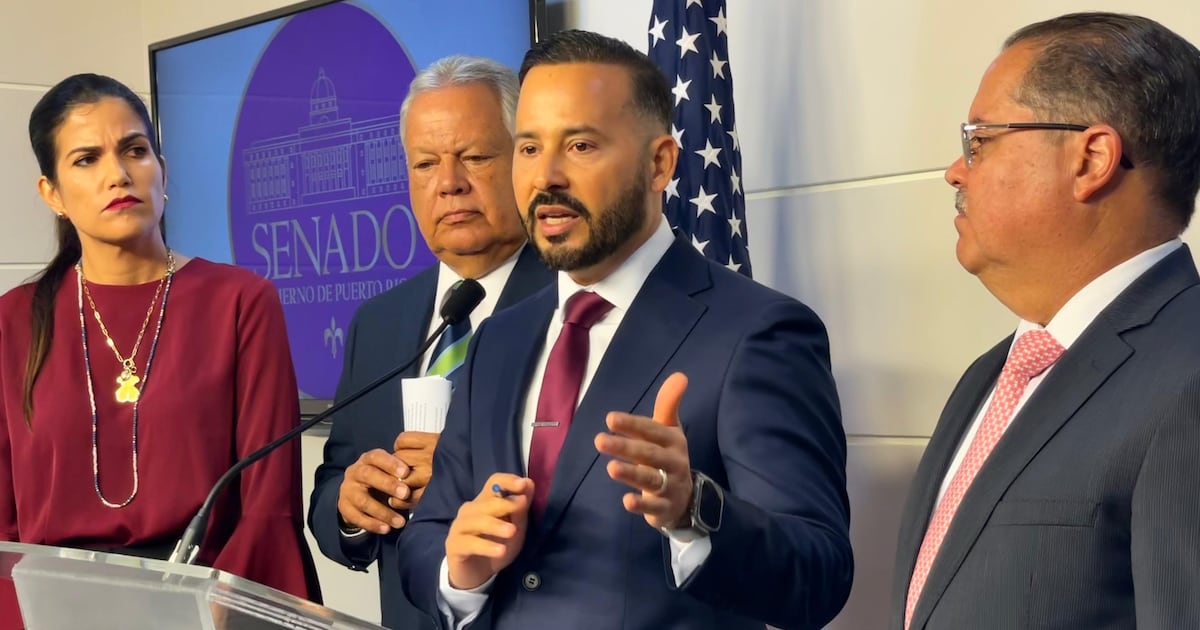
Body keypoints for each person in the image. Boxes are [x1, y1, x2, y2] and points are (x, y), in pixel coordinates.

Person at [397, 30, 853, 630]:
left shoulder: (758, 333)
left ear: (659, 163)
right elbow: (427, 536)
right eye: (528, 148)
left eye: (580, 145)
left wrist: (694, 510)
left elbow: (818, 577)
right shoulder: (496, 339)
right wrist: (460, 571)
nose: (546, 177)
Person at [891, 13, 1200, 630]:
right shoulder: (993, 375)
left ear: (1091, 159)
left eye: (980, 141)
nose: (956, 171)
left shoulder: (1188, 377)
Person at [0, 74, 321, 614]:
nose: (119, 175)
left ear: (163, 171)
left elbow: (268, 506)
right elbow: (4, 525)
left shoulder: (240, 302)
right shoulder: (12, 321)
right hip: (54, 609)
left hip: (206, 605)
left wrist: (210, 615)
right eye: (87, 160)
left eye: (135, 151)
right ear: (51, 193)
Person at [307, 55, 553, 629]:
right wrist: (351, 507)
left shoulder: (577, 303)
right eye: (425, 164)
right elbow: (331, 486)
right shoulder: (378, 322)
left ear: (525, 159)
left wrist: (458, 478)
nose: (449, 183)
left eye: (475, 157)